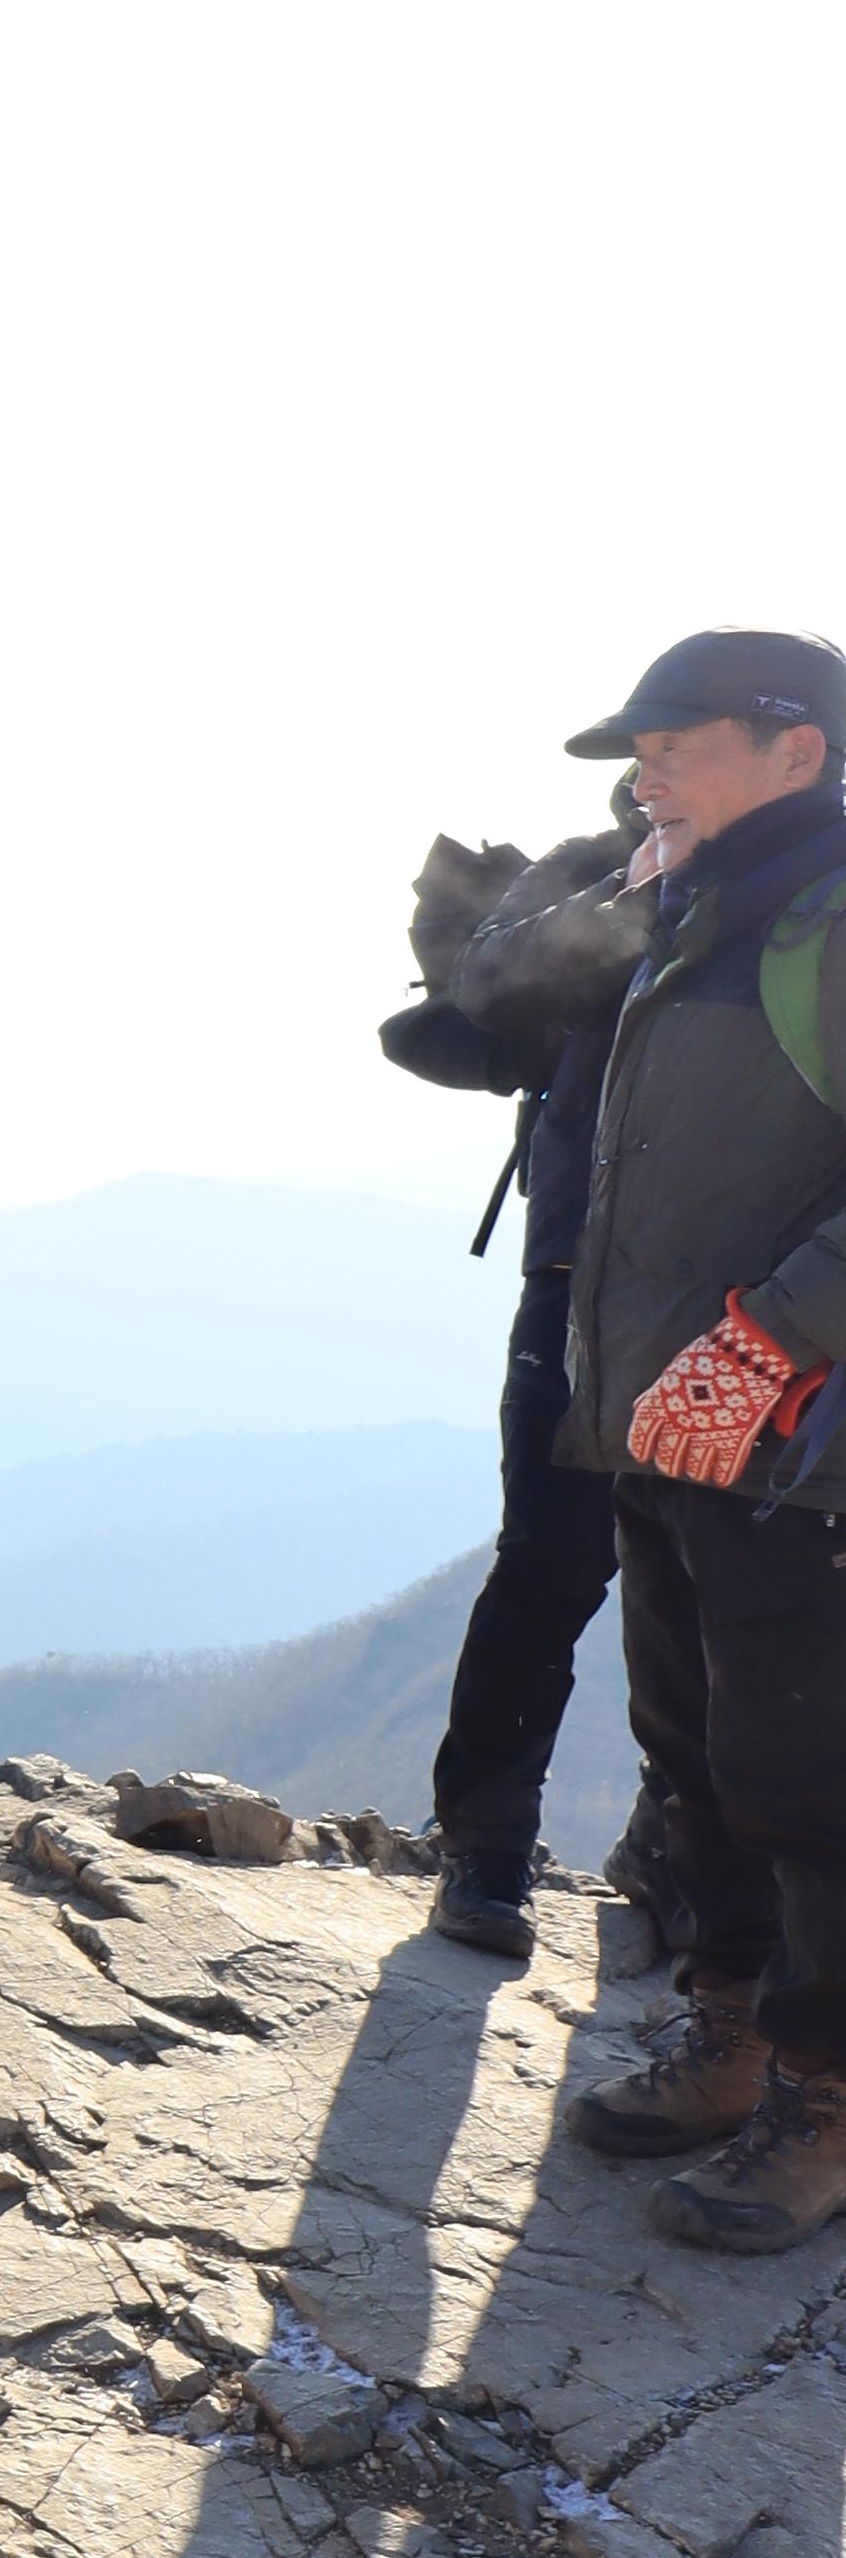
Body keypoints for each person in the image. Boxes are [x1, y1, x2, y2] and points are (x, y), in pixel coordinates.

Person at [550, 630, 846, 2253]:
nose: (644, 769)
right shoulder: (704, 909)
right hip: (667, 1429)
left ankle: (823, 2103)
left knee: (811, 1776)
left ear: (797, 749)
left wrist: (772, 1336)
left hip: (796, 1445)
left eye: (679, 740)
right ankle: (729, 2037)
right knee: (698, 1753)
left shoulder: (829, 915)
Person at [379, 814, 649, 1954]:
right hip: (584, 1282)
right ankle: (484, 1852)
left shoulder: (808, 898)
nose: (653, 772)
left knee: (724, 1596)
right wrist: (632, 890)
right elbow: (485, 996)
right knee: (550, 1563)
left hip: (756, 1301)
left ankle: (681, 1866)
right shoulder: (604, 872)